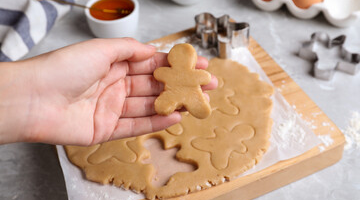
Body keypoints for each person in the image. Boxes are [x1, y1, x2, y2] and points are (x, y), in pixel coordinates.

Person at [0, 38, 217, 146]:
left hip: (188, 93)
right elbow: (163, 74)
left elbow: (201, 77)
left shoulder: (185, 72)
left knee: (187, 102)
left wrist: (27, 96)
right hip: (172, 93)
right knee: (166, 103)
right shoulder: (168, 71)